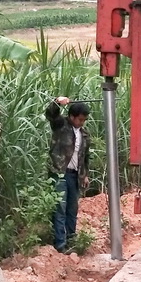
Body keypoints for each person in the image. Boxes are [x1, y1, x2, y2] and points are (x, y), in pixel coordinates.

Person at [45, 97, 91, 253]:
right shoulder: (60, 126)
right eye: (80, 119)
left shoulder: (84, 134)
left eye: (84, 120)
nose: (82, 122)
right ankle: (60, 244)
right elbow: (51, 113)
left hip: (74, 176)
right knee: (60, 208)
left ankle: (72, 241)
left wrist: (84, 175)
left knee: (72, 209)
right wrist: (57, 102)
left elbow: (85, 157)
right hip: (59, 173)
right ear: (71, 116)